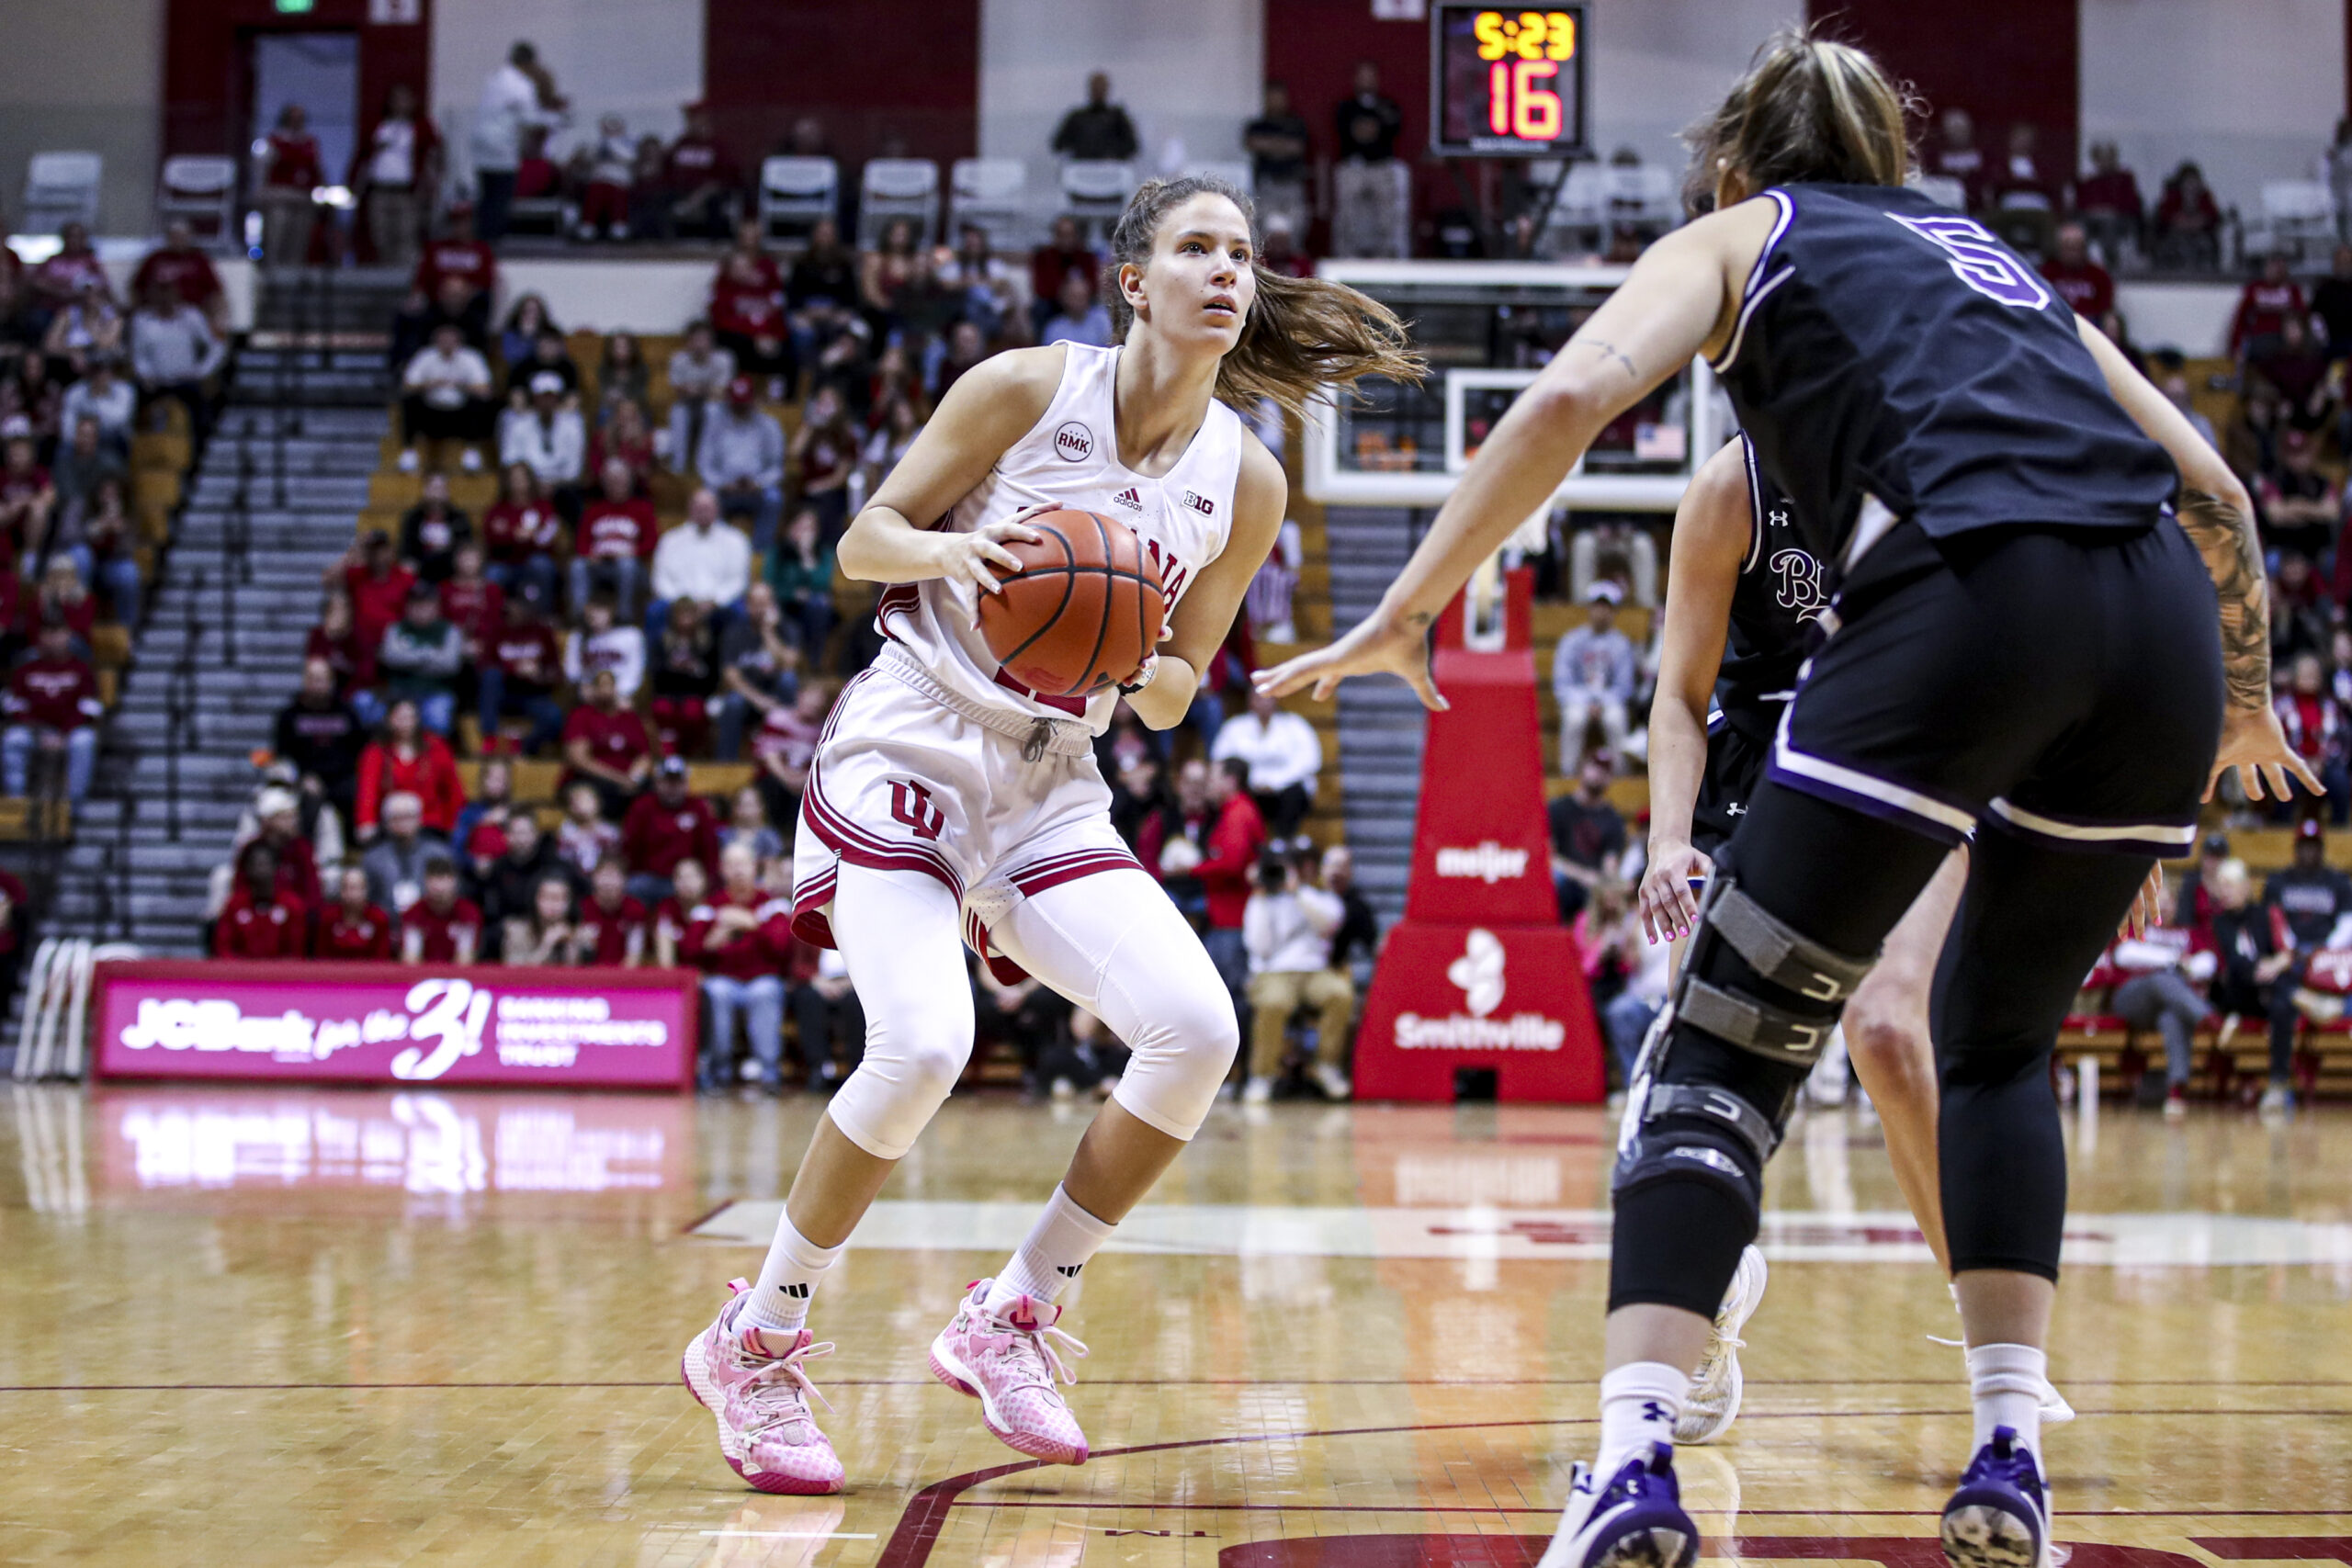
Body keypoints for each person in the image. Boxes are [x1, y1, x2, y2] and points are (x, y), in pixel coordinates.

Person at [1256, 31, 2307, 1565]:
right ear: (1891, 156)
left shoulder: (1743, 236)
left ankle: (1632, 1463)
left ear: (1734, 164)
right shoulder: (1993, 259)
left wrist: (1416, 601)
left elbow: (1571, 392)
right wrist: (2251, 700)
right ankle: (2011, 1451)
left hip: (1971, 592)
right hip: (2157, 630)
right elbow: (2210, 484)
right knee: (1998, 1045)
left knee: (1718, 1051)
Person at [679, 172, 1417, 1495]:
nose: (1227, 270)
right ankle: (758, 1336)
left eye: (1243, 252)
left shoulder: (1245, 479)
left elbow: (1190, 669)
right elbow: (864, 539)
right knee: (924, 1043)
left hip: (1052, 772)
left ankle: (1013, 1306)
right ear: (1135, 280)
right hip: (914, 728)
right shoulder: (1027, 386)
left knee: (1199, 1027)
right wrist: (947, 558)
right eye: (1198, 248)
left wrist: (1148, 663)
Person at [1239, 849, 1351, 1104]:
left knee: (1340, 994)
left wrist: (1296, 892)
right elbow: (1259, 946)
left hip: (1314, 971)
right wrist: (1262, 899)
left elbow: (1331, 922)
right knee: (1274, 1003)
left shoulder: (1316, 896)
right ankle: (1262, 1076)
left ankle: (1327, 1065)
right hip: (1273, 972)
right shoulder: (1259, 901)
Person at [687, 840, 793, 1090]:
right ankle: (718, 1070)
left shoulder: (773, 903)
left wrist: (749, 922)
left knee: (764, 991)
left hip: (762, 978)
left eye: (743, 863)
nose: (738, 870)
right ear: (722, 869)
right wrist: (711, 942)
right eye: (731, 864)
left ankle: (769, 1072)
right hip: (723, 979)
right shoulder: (709, 907)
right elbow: (691, 951)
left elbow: (781, 947)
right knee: (716, 992)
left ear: (754, 866)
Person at [472, 41, 568, 243]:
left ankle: (481, 237)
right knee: (500, 195)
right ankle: (492, 241)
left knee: (487, 195)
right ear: (530, 63)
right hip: (501, 146)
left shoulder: (494, 78)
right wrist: (557, 119)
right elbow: (530, 117)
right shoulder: (521, 84)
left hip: (481, 142)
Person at [2, 615, 100, 802]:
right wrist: (41, 733)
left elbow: (89, 708)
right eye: (48, 633)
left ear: (68, 635)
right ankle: (17, 802)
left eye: (58, 633)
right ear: (40, 636)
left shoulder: (82, 669)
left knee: (84, 741)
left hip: (69, 733)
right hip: (34, 731)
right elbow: (14, 706)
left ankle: (72, 807)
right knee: (13, 739)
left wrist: (63, 734)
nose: (53, 639)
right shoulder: (26, 669)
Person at [1209, 687, 1319, 841]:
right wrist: (1256, 782)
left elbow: (1309, 762)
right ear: (1250, 701)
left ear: (1276, 699)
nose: (1263, 702)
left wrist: (1275, 783)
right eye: (1258, 698)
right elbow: (1221, 760)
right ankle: (1247, 844)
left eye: (1268, 697)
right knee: (1235, 796)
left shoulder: (1295, 726)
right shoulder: (1234, 728)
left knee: (1296, 793)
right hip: (1250, 790)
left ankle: (1283, 843)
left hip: (1285, 789)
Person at [1552, 581, 1637, 774]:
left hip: (1610, 700)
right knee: (1574, 719)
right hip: (1578, 699)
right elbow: (1562, 684)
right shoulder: (1571, 640)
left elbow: (1624, 686)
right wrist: (1588, 701)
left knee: (1615, 719)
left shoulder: (1621, 644)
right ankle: (1568, 775)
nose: (1601, 612)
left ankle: (1621, 776)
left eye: (1607, 607)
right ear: (1590, 609)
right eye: (1598, 606)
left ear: (1614, 612)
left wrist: (1600, 701)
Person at [353, 83, 440, 274]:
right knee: (381, 236)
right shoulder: (378, 127)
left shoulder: (420, 128)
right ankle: (385, 276)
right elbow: (362, 157)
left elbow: (434, 156)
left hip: (406, 193)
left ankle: (406, 278)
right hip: (379, 191)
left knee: (406, 235)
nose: (401, 104)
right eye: (396, 99)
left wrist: (430, 187)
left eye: (405, 99)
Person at [276, 656, 367, 831]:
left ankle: (353, 850)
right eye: (313, 678)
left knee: (357, 793)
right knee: (307, 800)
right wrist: (303, 777)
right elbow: (283, 753)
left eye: (322, 679)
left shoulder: (347, 713)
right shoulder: (290, 715)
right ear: (305, 681)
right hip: (306, 779)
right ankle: (307, 850)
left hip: (342, 777)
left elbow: (359, 748)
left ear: (331, 681)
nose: (318, 684)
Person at [696, 377, 786, 551]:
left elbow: (777, 467)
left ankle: (759, 552)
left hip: (758, 487)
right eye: (736, 404)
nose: (740, 408)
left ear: (752, 400)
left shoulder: (769, 425)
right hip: (723, 487)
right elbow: (704, 464)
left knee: (774, 498)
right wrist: (723, 483)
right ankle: (717, 551)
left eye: (744, 404)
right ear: (728, 401)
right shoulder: (715, 424)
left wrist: (759, 483)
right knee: (705, 497)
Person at [355, 698, 465, 840]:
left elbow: (453, 789)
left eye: (409, 717)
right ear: (389, 719)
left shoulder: (437, 747)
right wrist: (366, 822)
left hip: (429, 823)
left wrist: (453, 824)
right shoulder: (376, 751)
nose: (405, 723)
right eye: (399, 717)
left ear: (417, 719)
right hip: (390, 824)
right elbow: (367, 791)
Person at [129, 283, 224, 445]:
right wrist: (145, 375)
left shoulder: (192, 317)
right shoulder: (142, 320)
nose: (165, 300)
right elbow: (138, 355)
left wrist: (201, 372)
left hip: (186, 381)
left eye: (169, 295)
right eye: (161, 295)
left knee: (204, 411)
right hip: (155, 382)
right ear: (154, 297)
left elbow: (216, 347)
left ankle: (200, 450)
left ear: (177, 296)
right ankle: (139, 450)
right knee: (133, 401)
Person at [651, 487, 752, 637]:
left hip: (720, 602)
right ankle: (656, 659)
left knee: (740, 613)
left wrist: (715, 601)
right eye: (698, 507)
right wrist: (683, 603)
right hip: (678, 602)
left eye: (707, 507)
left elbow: (739, 580)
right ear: (690, 509)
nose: (703, 512)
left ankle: (730, 659)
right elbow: (660, 578)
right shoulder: (671, 540)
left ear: (717, 509)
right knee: (654, 612)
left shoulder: (736, 540)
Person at [623, 754, 722, 905]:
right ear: (657, 782)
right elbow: (631, 846)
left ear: (686, 784)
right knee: (632, 887)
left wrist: (707, 879)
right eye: (668, 781)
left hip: (687, 879)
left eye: (678, 782)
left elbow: (709, 847)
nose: (672, 787)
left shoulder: (698, 807)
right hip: (650, 877)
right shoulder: (643, 806)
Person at [400, 322, 496, 473]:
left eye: (451, 339)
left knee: (479, 403)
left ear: (459, 341)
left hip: (459, 417)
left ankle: (471, 453)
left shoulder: (471, 357)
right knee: (409, 401)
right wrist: (429, 385)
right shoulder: (425, 356)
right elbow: (407, 386)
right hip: (431, 414)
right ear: (435, 340)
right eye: (443, 339)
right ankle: (409, 452)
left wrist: (462, 386)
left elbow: (486, 390)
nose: (447, 343)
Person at [563, 666, 653, 821]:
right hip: (593, 779)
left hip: (629, 781)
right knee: (595, 796)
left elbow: (644, 755)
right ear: (593, 689)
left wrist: (634, 778)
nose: (606, 691)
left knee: (654, 792)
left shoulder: (630, 718)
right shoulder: (581, 715)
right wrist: (618, 778)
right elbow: (579, 760)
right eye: (601, 685)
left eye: (609, 685)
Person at [572, 456, 657, 620]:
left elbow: (651, 542)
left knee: (627, 566)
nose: (616, 485)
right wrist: (590, 555)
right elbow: (581, 543)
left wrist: (632, 553)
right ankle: (581, 616)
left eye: (620, 480)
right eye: (611, 481)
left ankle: (623, 617)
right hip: (599, 563)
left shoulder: (643, 509)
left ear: (629, 482)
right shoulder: (593, 511)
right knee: (577, 566)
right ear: (604, 484)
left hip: (630, 563)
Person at [254, 104, 323, 266]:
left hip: (303, 198)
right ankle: (272, 272)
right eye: (293, 118)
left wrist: (319, 195)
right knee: (277, 236)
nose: (296, 122)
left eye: (300, 118)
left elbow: (318, 170)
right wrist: (260, 195)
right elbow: (260, 170)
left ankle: (293, 277)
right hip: (279, 197)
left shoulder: (310, 143)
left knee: (299, 241)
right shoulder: (272, 142)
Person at [214, 843, 307, 958]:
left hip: (281, 973)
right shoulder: (234, 905)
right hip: (241, 973)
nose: (260, 869)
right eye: (255, 863)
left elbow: (296, 951)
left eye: (264, 863)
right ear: (247, 867)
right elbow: (224, 948)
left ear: (275, 866)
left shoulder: (292, 905)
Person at [1244, 83, 1311, 241]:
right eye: (1272, 98)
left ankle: (1294, 263)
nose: (1276, 101)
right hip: (1267, 183)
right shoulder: (1257, 125)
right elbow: (1253, 143)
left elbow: (1297, 147)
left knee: (1296, 228)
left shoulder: (1296, 124)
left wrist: (1269, 144)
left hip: (1291, 182)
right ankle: (1264, 263)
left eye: (1279, 98)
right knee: (1264, 229)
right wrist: (1282, 145)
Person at [565, 591, 647, 702]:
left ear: (611, 611)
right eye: (590, 611)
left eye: (599, 610)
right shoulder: (578, 638)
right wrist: (583, 686)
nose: (593, 614)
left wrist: (619, 692)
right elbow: (572, 671)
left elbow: (635, 670)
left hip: (621, 696)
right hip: (590, 695)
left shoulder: (631, 635)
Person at [401, 854, 483, 964]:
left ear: (455, 881)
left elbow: (465, 960)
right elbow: (410, 959)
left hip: (457, 978)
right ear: (425, 881)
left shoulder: (469, 913)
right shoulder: (413, 914)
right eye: (434, 879)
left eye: (444, 879)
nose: (439, 887)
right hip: (422, 977)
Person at [1049, 72, 1137, 163]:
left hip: (1110, 169)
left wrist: (1114, 154)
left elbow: (1132, 146)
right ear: (1090, 89)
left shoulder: (1118, 118)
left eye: (1101, 87)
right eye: (1095, 87)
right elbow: (1058, 144)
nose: (1098, 91)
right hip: (1081, 168)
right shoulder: (1077, 118)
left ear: (1107, 89)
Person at [313, 864, 395, 961]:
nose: (350, 894)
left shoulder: (379, 918)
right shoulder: (329, 918)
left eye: (354, 888)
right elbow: (321, 958)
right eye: (345, 888)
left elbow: (382, 959)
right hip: (335, 973)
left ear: (365, 890)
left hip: (370, 973)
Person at [2038, 222, 2112, 321]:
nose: (2072, 252)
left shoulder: (2099, 275)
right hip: (2057, 323)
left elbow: (2106, 309)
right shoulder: (2047, 272)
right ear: (2059, 248)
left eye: (2076, 246)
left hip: (2090, 325)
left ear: (2084, 248)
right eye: (2068, 247)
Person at [503, 873, 580, 965]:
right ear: (535, 899)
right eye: (547, 897)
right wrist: (546, 946)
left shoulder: (578, 932)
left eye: (559, 898)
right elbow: (513, 970)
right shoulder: (517, 932)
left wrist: (570, 945)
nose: (553, 905)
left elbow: (578, 974)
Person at [1038, 272, 1112, 349]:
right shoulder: (1054, 329)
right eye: (1074, 297)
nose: (1079, 302)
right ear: (1064, 299)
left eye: (1082, 296)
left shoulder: (1103, 320)